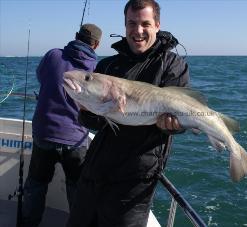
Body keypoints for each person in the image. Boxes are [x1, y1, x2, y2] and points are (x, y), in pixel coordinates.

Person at [67, 0, 189, 226]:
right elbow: (95, 122)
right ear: (125, 25)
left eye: (145, 23)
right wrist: (85, 108)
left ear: (157, 25)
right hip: (94, 172)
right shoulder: (107, 66)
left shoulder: (171, 65)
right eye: (132, 23)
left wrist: (173, 125)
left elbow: (178, 119)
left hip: (134, 182)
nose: (138, 30)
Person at [22, 23, 102, 227]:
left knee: (36, 186)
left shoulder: (53, 55)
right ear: (97, 45)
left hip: (45, 134)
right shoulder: (96, 70)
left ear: (76, 36)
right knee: (77, 190)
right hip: (76, 141)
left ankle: (29, 223)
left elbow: (42, 77)